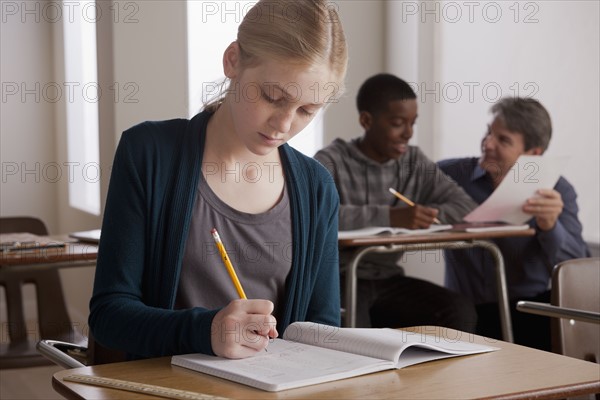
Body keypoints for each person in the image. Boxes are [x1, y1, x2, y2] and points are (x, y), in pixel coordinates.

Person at [89, 0, 348, 360]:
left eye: (307, 110)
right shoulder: (148, 153)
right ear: (233, 61)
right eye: (273, 97)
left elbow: (321, 330)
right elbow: (108, 316)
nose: (285, 125)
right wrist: (207, 331)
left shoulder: (316, 187)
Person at [314, 73, 478, 331]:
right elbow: (319, 217)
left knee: (458, 311)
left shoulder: (413, 161)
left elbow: (464, 206)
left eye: (413, 123)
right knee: (356, 333)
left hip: (387, 278)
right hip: (340, 277)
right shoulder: (330, 161)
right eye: (398, 123)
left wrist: (425, 215)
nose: (408, 134)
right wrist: (390, 217)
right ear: (366, 121)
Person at [438, 97, 590, 350]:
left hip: (529, 307)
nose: (488, 144)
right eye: (488, 133)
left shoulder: (557, 190)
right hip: (467, 310)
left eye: (503, 140)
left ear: (533, 154)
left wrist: (551, 226)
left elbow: (577, 266)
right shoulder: (450, 175)